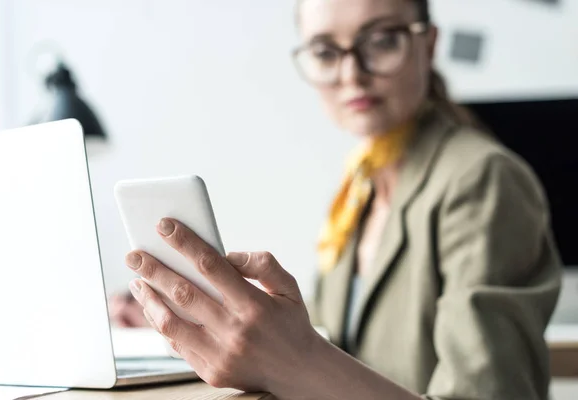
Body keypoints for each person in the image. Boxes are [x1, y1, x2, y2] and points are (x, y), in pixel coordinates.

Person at [110, 0, 562, 398]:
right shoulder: (357, 191)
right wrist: (209, 320)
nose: (351, 73)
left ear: (428, 45)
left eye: (382, 40)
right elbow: (333, 351)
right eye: (326, 51)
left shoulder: (483, 179)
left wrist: (292, 356)